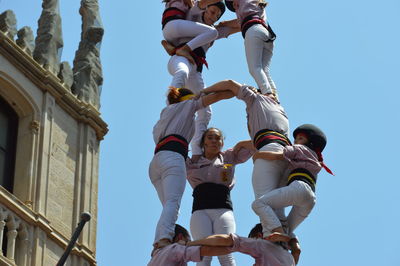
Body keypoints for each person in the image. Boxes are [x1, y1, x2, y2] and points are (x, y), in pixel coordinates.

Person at [149, 87, 234, 253]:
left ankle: (159, 243)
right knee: (172, 204)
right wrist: (236, 91)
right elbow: (218, 96)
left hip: (156, 162)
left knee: (169, 207)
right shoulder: (188, 105)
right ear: (188, 98)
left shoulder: (165, 113)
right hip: (173, 158)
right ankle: (163, 240)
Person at [202, 80, 290, 236]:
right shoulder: (280, 110)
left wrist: (203, 92)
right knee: (277, 207)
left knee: (262, 202)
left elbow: (229, 83)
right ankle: (286, 240)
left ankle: (274, 235)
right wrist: (244, 143)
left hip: (269, 151)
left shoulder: (256, 99)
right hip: (285, 155)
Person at [162, 0, 240, 156]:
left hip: (196, 71)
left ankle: (197, 153)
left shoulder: (213, 30)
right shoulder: (193, 16)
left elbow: (240, 25)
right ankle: (170, 110)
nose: (214, 17)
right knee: (181, 73)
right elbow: (201, 4)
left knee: (205, 112)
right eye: (212, 12)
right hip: (181, 58)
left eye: (217, 16)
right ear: (205, 10)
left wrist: (245, 14)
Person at [252, 124, 333, 242]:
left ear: (311, 142)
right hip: (310, 200)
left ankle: (279, 233)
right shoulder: (316, 159)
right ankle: (291, 246)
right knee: (287, 229)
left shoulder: (300, 149)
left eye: (300, 138)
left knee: (258, 204)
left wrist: (258, 155)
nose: (295, 141)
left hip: (299, 188)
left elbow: (278, 156)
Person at [186, 127, 255, 265]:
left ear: (222, 143)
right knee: (203, 253)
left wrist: (240, 144)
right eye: (210, 137)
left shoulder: (228, 157)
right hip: (200, 210)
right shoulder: (192, 162)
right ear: (203, 142)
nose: (214, 141)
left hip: (223, 209)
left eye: (218, 138)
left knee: (226, 251)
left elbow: (257, 143)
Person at [221, 0, 278, 98]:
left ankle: (268, 93)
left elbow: (237, 23)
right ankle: (275, 97)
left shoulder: (243, 4)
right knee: (264, 70)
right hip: (266, 34)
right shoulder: (253, 5)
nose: (234, 6)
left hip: (254, 30)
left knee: (254, 68)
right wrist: (225, 23)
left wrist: (223, 23)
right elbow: (238, 23)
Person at [188, 223, 299, 265]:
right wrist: (289, 238)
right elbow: (297, 250)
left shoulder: (261, 245)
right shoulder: (290, 260)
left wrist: (192, 243)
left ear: (260, 236)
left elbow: (227, 240)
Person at [148, 224, 234, 265]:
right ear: (180, 237)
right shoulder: (175, 249)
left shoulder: (155, 258)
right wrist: (235, 247)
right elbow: (206, 250)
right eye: (188, 240)